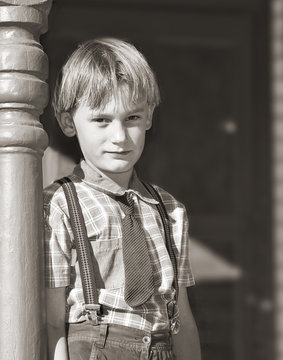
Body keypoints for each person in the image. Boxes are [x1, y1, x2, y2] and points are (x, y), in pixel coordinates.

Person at [44, 37, 201, 360]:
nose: (119, 137)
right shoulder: (58, 204)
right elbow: (52, 321)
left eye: (131, 118)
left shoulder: (171, 212)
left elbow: (182, 319)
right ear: (67, 122)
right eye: (101, 120)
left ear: (149, 117)